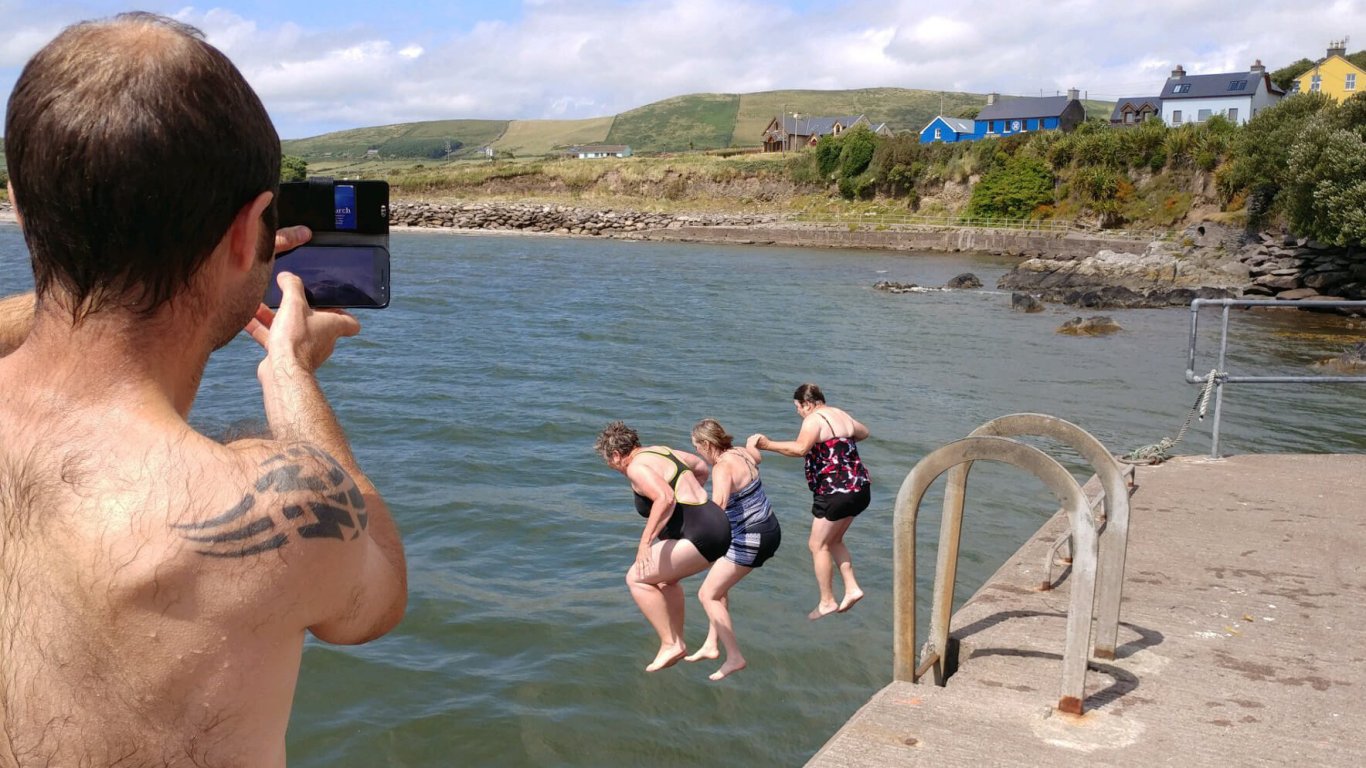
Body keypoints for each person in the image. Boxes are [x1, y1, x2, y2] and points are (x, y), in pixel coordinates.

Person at [0, 14, 407, 767]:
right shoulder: (285, 504)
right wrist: (288, 377)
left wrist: (95, 275)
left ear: (23, 207)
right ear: (253, 228)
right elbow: (377, 596)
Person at [595, 421, 731, 672]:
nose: (613, 468)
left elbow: (665, 498)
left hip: (701, 533)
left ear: (616, 455)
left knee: (636, 578)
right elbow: (701, 468)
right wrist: (688, 500)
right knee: (667, 581)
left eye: (611, 463)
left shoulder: (636, 467)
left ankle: (670, 642)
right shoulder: (662, 451)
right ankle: (677, 641)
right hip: (716, 524)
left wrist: (645, 542)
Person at [749, 383, 870, 620]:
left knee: (817, 545)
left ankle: (826, 601)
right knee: (834, 540)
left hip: (836, 492)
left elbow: (800, 449)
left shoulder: (814, 419)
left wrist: (767, 444)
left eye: (798, 407)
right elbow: (863, 432)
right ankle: (852, 588)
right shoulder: (840, 414)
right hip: (860, 489)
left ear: (807, 403)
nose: (798, 412)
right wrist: (841, 446)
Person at [686, 418, 782, 681]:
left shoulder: (721, 468)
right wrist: (754, 443)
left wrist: (689, 516)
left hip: (751, 537)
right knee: (719, 586)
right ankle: (711, 643)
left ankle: (735, 657)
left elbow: (717, 507)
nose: (697, 452)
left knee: (708, 595)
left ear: (707, 444)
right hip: (769, 527)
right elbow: (757, 458)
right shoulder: (740, 451)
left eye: (697, 447)